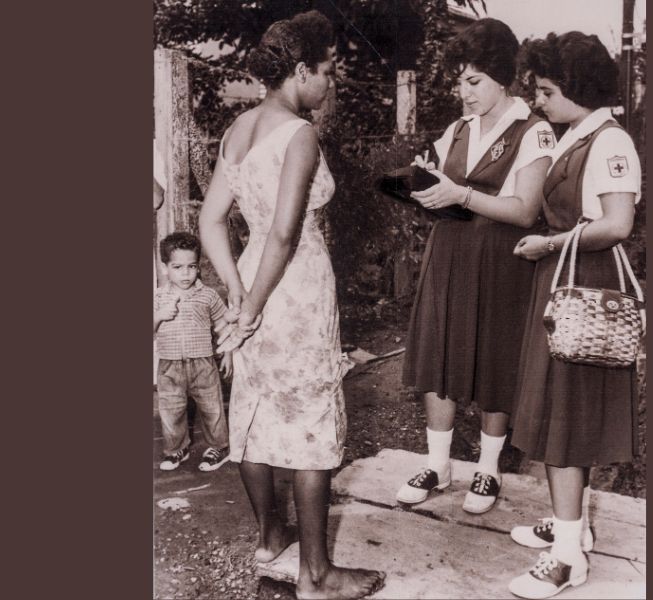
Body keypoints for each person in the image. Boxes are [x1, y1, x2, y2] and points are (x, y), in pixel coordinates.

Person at [198, 11, 385, 600]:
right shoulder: (298, 133)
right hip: (292, 284)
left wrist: (235, 288)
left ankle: (268, 537)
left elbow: (210, 220)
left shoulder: (239, 127)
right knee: (309, 421)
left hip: (252, 273)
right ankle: (316, 575)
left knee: (254, 406)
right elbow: (284, 233)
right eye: (327, 72)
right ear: (301, 71)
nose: (331, 84)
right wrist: (251, 306)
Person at [397, 18, 556, 515]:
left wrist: (461, 192)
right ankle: (438, 463)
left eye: (473, 81)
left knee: (494, 357)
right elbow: (445, 192)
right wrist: (423, 188)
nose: (462, 92)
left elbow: (525, 209)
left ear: (502, 77)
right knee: (438, 352)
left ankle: (488, 469)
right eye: (457, 81)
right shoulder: (457, 130)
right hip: (449, 254)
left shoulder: (535, 131)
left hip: (502, 262)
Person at [507, 31, 642, 599]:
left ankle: (568, 559)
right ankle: (571, 525)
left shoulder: (610, 143)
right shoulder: (579, 134)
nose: (538, 101)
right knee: (556, 414)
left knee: (566, 419)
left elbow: (617, 226)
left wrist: (549, 244)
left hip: (583, 285)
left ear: (577, 90)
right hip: (565, 276)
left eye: (546, 90)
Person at [154, 231, 233, 472]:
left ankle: (219, 446)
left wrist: (227, 353)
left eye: (192, 266)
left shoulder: (208, 295)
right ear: (166, 267)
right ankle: (176, 449)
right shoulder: (157, 297)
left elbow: (223, 324)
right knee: (171, 410)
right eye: (177, 267)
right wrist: (158, 316)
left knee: (212, 408)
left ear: (198, 267)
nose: (186, 273)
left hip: (203, 363)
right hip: (169, 365)